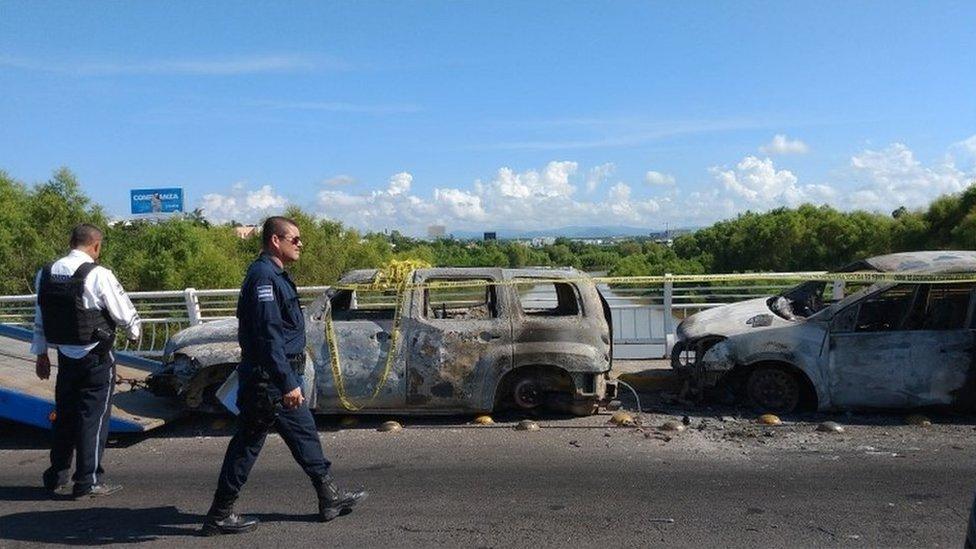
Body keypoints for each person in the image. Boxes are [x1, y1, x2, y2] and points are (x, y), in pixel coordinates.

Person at [202, 216, 366, 536]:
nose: (300, 244)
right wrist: (287, 382)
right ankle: (219, 514)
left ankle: (329, 496)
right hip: (270, 380)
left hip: (279, 377)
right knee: (247, 445)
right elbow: (267, 337)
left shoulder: (275, 275)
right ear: (275, 240)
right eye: (295, 239)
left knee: (304, 434)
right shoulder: (264, 276)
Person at [32, 223, 141, 498]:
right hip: (96, 357)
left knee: (65, 416)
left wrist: (41, 354)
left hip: (64, 357)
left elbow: (40, 318)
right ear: (96, 246)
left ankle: (57, 475)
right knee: (93, 418)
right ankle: (87, 480)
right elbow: (123, 311)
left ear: (71, 242)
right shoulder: (98, 274)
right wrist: (134, 332)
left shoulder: (45, 274)